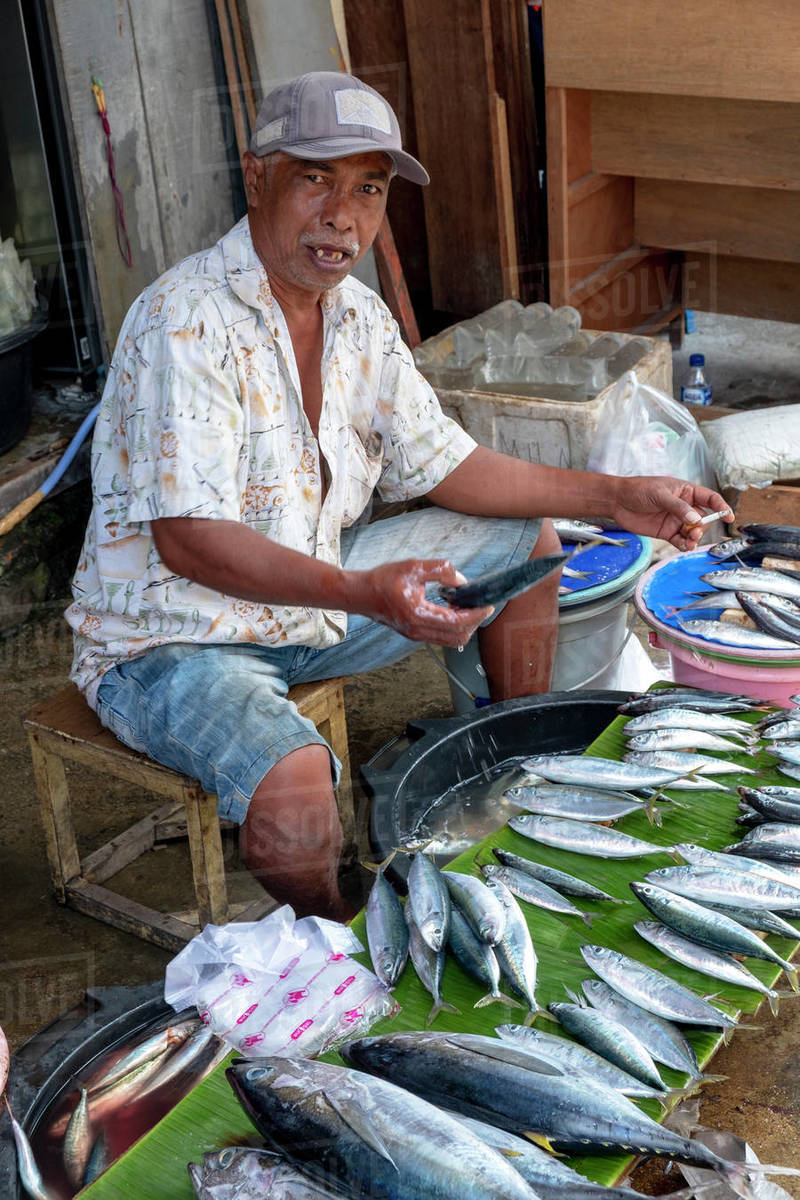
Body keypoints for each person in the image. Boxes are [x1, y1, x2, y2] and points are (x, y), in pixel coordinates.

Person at [66, 71, 730, 921]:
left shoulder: (360, 318)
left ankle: (511, 782)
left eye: (369, 188)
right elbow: (189, 542)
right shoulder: (182, 320)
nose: (344, 216)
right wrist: (360, 592)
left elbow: (452, 466)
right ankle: (342, 929)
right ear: (257, 176)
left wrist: (615, 495)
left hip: (309, 594)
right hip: (170, 636)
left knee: (526, 542)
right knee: (299, 795)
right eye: (317, 179)